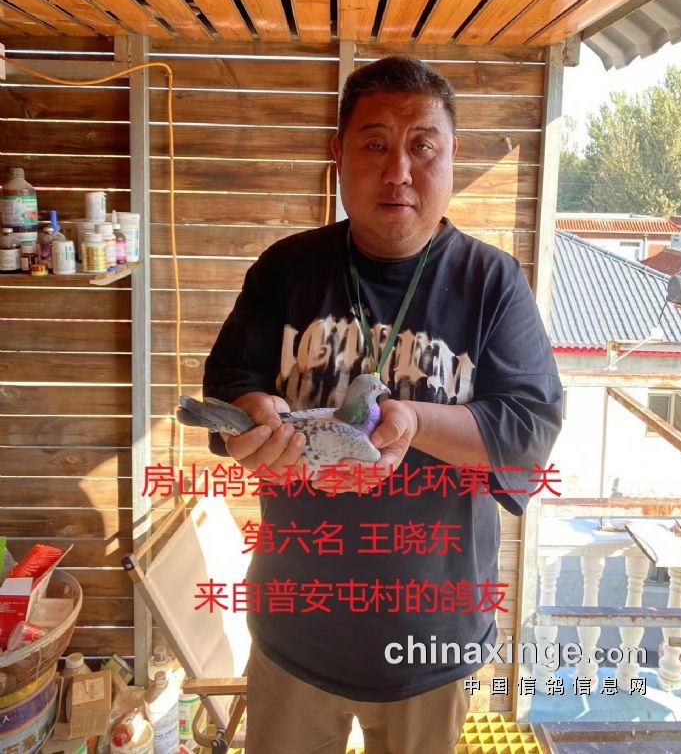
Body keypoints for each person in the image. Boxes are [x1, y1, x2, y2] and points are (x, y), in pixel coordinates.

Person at [203, 55, 563, 754]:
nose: (398, 170)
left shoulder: (492, 282)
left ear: (453, 154)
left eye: (422, 146)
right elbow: (228, 383)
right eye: (374, 144)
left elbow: (528, 429)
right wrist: (251, 416)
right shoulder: (286, 267)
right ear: (338, 154)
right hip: (295, 631)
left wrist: (417, 421)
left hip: (432, 642)